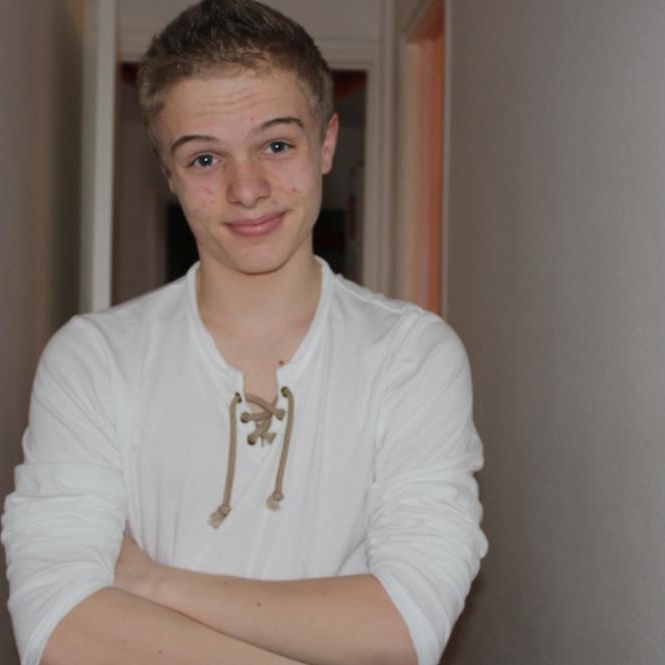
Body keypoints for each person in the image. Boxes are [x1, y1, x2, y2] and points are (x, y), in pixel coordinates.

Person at [2, 1, 487, 664]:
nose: (247, 189)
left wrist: (151, 581)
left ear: (326, 144)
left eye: (277, 145)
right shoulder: (92, 359)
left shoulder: (412, 355)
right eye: (205, 158)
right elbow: (58, 625)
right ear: (168, 175)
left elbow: (406, 624)